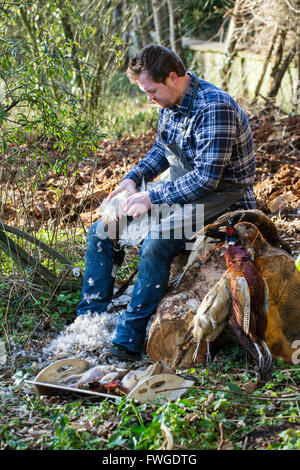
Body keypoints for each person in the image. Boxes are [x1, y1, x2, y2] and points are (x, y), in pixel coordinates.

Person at [76, 44, 256, 361]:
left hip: (225, 198)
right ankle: (90, 321)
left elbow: (207, 179)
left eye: (151, 90)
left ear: (173, 77)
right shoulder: (169, 105)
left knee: (157, 242)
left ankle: (128, 340)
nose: (149, 98)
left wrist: (151, 196)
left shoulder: (214, 107)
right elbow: (161, 152)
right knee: (103, 230)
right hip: (182, 191)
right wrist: (133, 179)